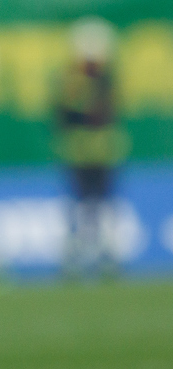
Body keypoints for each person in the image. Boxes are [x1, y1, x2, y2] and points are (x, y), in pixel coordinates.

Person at [55, 17, 127, 277]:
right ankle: (76, 255)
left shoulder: (104, 79)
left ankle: (106, 254)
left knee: (105, 205)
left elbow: (106, 112)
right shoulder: (70, 80)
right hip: (79, 152)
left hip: (102, 152)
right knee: (80, 205)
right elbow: (65, 114)